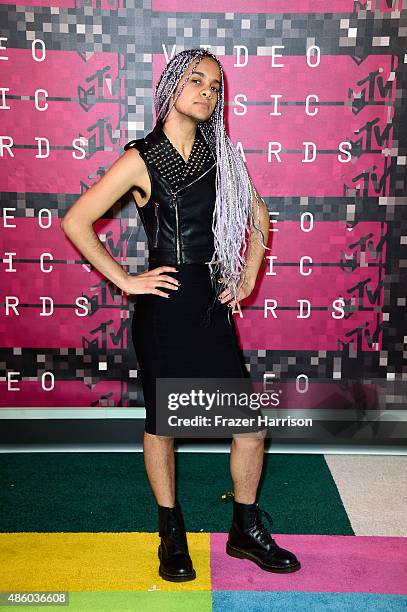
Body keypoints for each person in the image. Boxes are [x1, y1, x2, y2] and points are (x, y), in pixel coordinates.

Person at [61, 48, 301, 582]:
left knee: (248, 426)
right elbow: (76, 221)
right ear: (172, 86)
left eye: (215, 86)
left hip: (210, 304)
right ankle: (170, 532)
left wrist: (249, 274)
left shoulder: (221, 154)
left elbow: (258, 214)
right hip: (163, 306)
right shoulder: (141, 157)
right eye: (196, 81)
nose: (207, 92)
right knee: (163, 424)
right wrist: (125, 279)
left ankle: (245, 529)